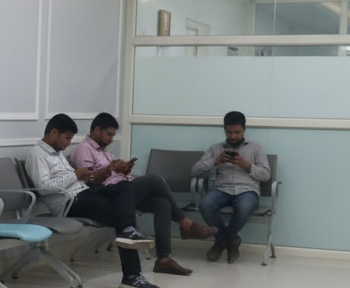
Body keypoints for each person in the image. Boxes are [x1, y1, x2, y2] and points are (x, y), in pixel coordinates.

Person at [26, 114, 160, 288]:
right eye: (67, 138)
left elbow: (71, 178)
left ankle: (130, 245)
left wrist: (90, 175)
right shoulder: (37, 154)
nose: (68, 143)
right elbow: (43, 188)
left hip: (85, 192)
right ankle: (132, 275)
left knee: (124, 186)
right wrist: (75, 175)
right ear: (54, 132)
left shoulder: (57, 153)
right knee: (122, 216)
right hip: (71, 203)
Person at [70, 112, 216, 276]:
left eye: (113, 135)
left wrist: (123, 170)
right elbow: (90, 180)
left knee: (162, 204)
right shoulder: (83, 149)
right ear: (97, 130)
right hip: (109, 195)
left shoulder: (104, 151)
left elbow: (111, 174)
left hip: (123, 190)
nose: (111, 139)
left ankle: (163, 260)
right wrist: (111, 168)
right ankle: (186, 224)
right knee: (155, 179)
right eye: (109, 134)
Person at [191, 110, 271, 264]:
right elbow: (194, 171)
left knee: (244, 207)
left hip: (247, 191)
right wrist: (215, 162)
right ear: (224, 130)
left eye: (237, 132)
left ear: (244, 129)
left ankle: (221, 242)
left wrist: (246, 165)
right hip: (221, 189)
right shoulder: (215, 149)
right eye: (229, 132)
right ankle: (231, 240)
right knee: (205, 204)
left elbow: (266, 175)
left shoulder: (256, 148)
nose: (233, 136)